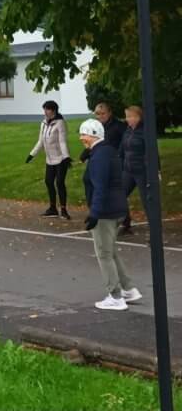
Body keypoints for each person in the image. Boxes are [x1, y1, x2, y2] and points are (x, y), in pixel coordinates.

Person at [80, 118, 141, 310]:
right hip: (117, 208)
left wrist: (94, 213)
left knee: (104, 254)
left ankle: (115, 296)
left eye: (84, 135)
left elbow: (100, 187)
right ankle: (128, 289)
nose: (81, 138)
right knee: (111, 251)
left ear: (93, 136)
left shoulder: (99, 157)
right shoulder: (106, 151)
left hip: (105, 212)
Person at [26, 100, 72, 219]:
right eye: (44, 109)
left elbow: (62, 141)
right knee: (48, 182)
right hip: (49, 159)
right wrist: (32, 154)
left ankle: (63, 210)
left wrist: (66, 157)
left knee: (60, 183)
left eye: (48, 109)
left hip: (60, 159)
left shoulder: (60, 123)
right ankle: (52, 209)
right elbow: (41, 141)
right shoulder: (43, 123)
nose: (45, 112)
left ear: (54, 110)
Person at [119, 105, 149, 236]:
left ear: (138, 117)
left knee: (147, 201)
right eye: (126, 116)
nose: (127, 119)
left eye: (130, 116)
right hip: (128, 170)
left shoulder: (145, 131)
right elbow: (122, 150)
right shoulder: (127, 131)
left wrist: (156, 170)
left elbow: (152, 152)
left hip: (142, 171)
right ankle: (125, 224)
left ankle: (154, 232)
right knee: (120, 195)